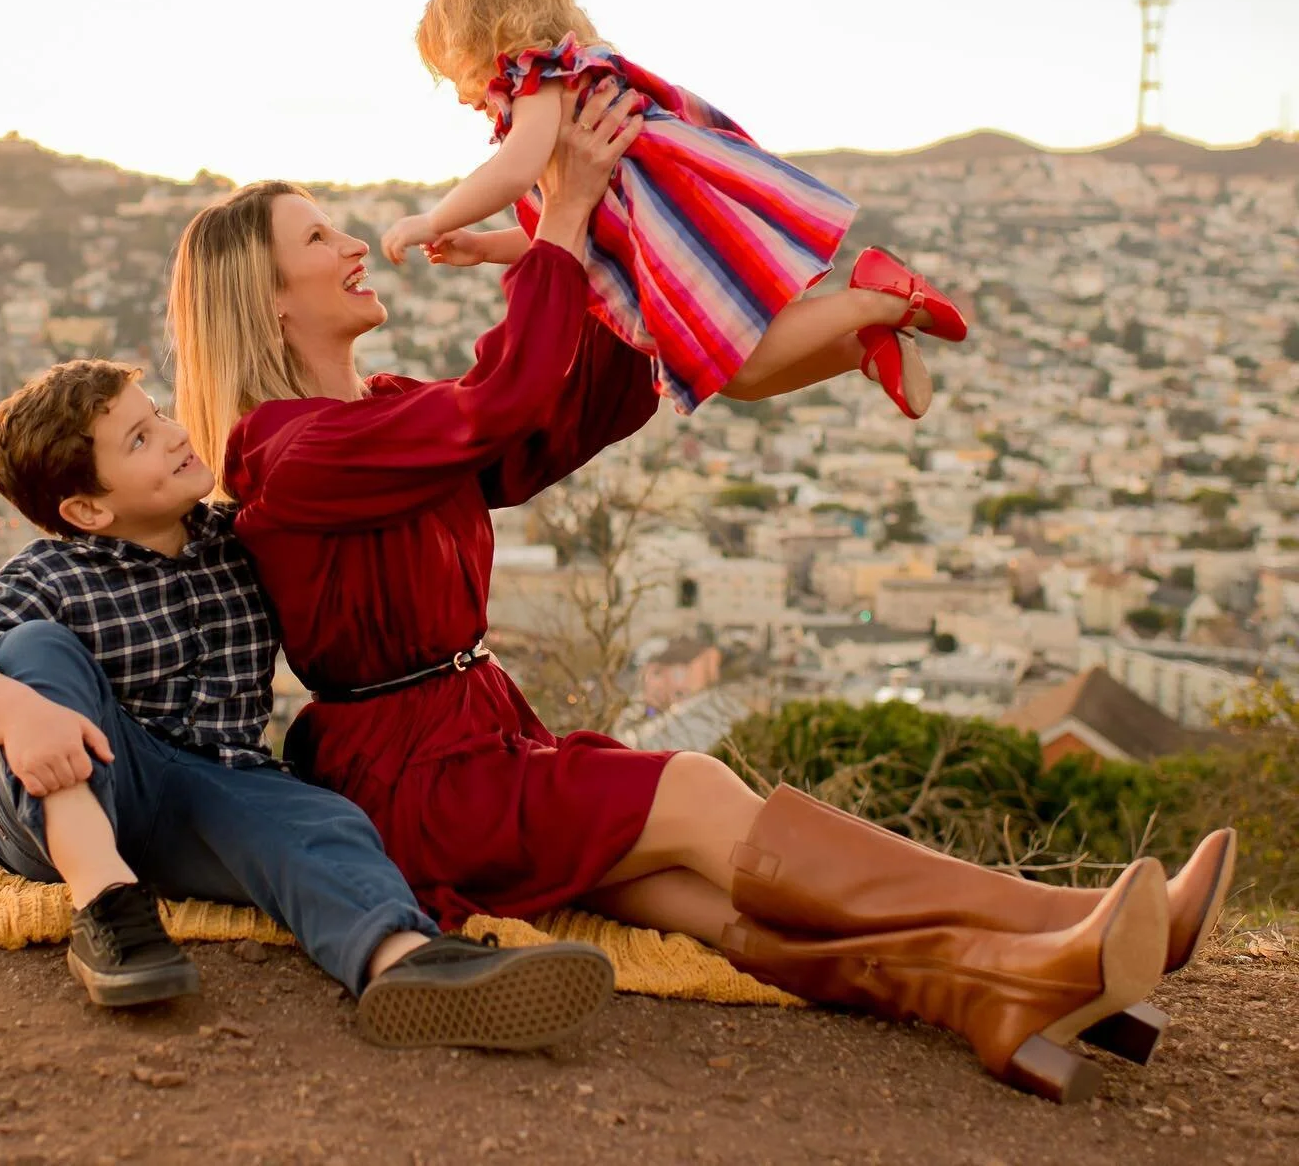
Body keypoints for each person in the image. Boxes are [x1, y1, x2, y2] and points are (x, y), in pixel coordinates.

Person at [168, 85, 1234, 1103]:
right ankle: (1073, 922)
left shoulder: (381, 412)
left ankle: (997, 992)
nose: (354, 243)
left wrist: (608, 269)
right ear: (263, 296)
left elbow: (550, 421)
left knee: (700, 896)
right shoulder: (292, 450)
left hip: (473, 740)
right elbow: (503, 400)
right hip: (414, 779)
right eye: (316, 239)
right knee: (695, 793)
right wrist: (564, 218)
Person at [0, 359, 615, 1051]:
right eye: (139, 438)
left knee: (320, 820)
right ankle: (107, 904)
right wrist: (18, 716)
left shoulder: (237, 541)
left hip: (213, 789)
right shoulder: (53, 571)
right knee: (37, 647)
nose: (174, 432)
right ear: (86, 508)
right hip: (77, 792)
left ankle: (410, 964)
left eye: (160, 414)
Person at [379, 0, 963, 422]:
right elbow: (570, 227)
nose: (461, 95)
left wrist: (435, 217)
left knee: (745, 365)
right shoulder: (559, 90)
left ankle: (880, 300)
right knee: (735, 381)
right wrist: (483, 248)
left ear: (489, 38)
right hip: (663, 233)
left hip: (677, 231)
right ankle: (861, 344)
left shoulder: (541, 79)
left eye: (458, 72)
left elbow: (513, 171)